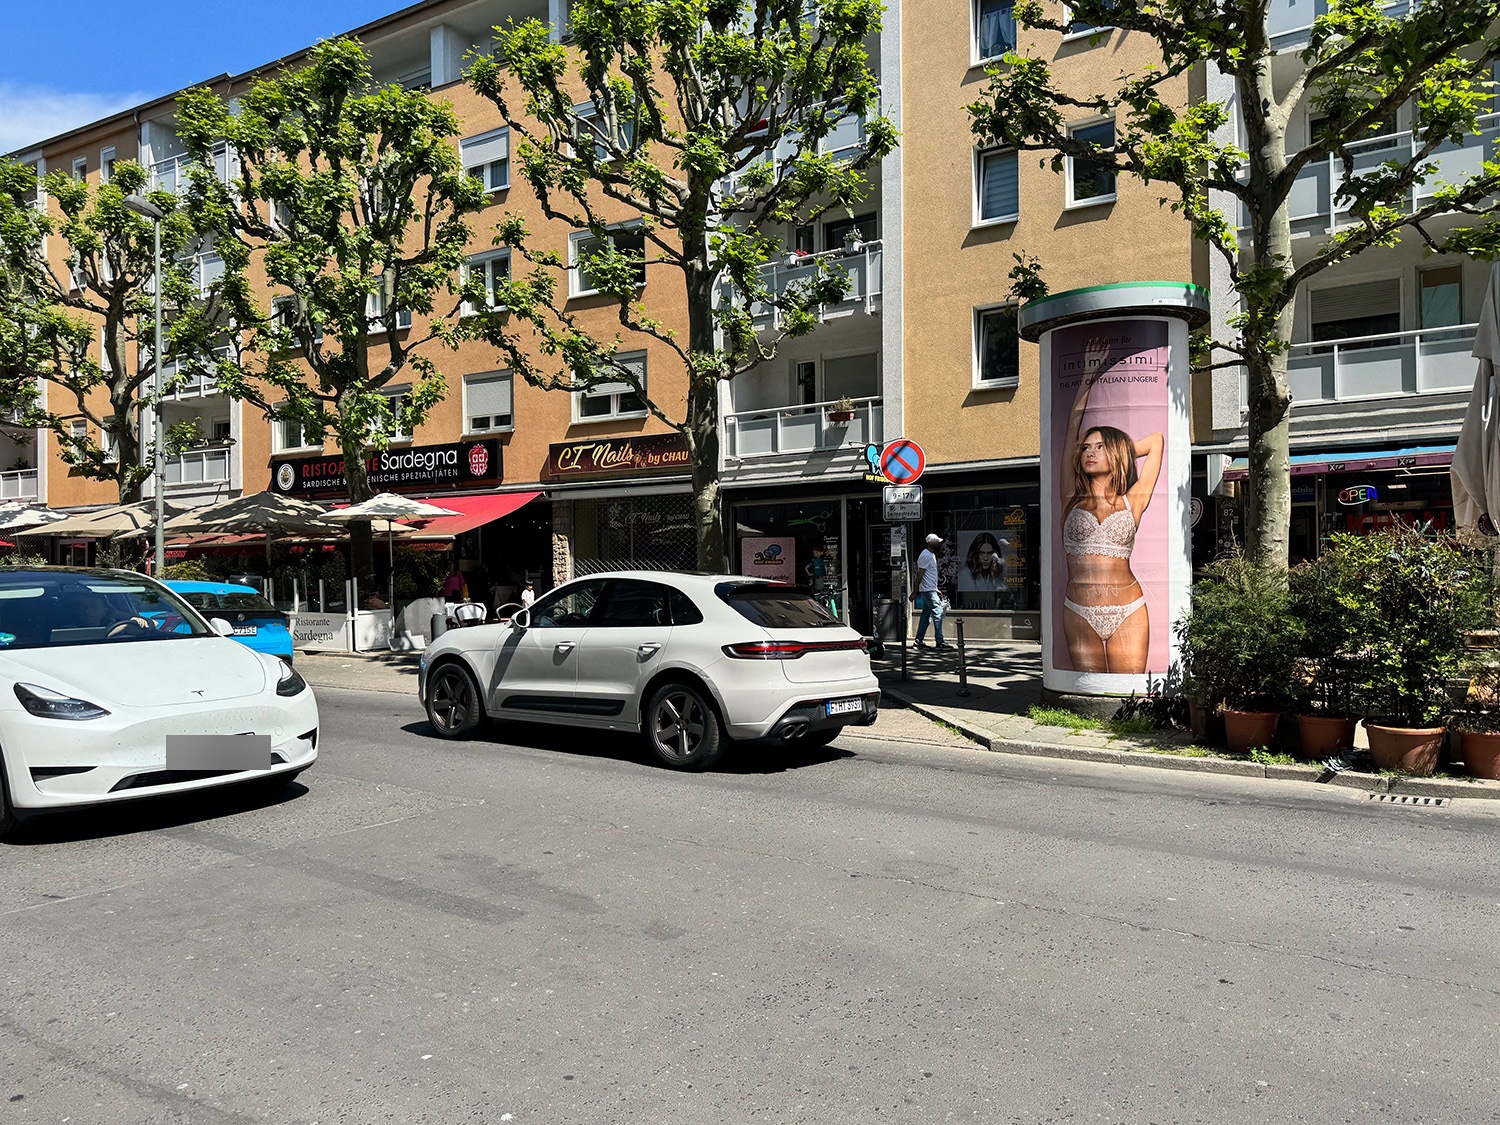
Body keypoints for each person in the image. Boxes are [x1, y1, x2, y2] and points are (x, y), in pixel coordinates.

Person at [1060, 337, 1164, 674]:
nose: (1090, 452)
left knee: (1130, 692)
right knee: (1089, 692)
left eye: (1100, 447)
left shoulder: (1133, 501)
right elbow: (1072, 429)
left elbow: (1156, 442)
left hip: (1128, 608)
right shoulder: (1070, 497)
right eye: (1087, 447)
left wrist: (1120, 449)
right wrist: (1087, 378)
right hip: (1079, 609)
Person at [910, 532, 949, 650]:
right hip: (928, 590)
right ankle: (940, 641)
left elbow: (928, 575)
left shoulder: (930, 555)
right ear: (930, 542)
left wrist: (935, 589)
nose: (938, 544)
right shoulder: (926, 555)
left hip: (930, 589)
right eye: (936, 542)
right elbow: (920, 575)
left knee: (926, 615)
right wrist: (915, 592)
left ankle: (919, 640)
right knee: (938, 612)